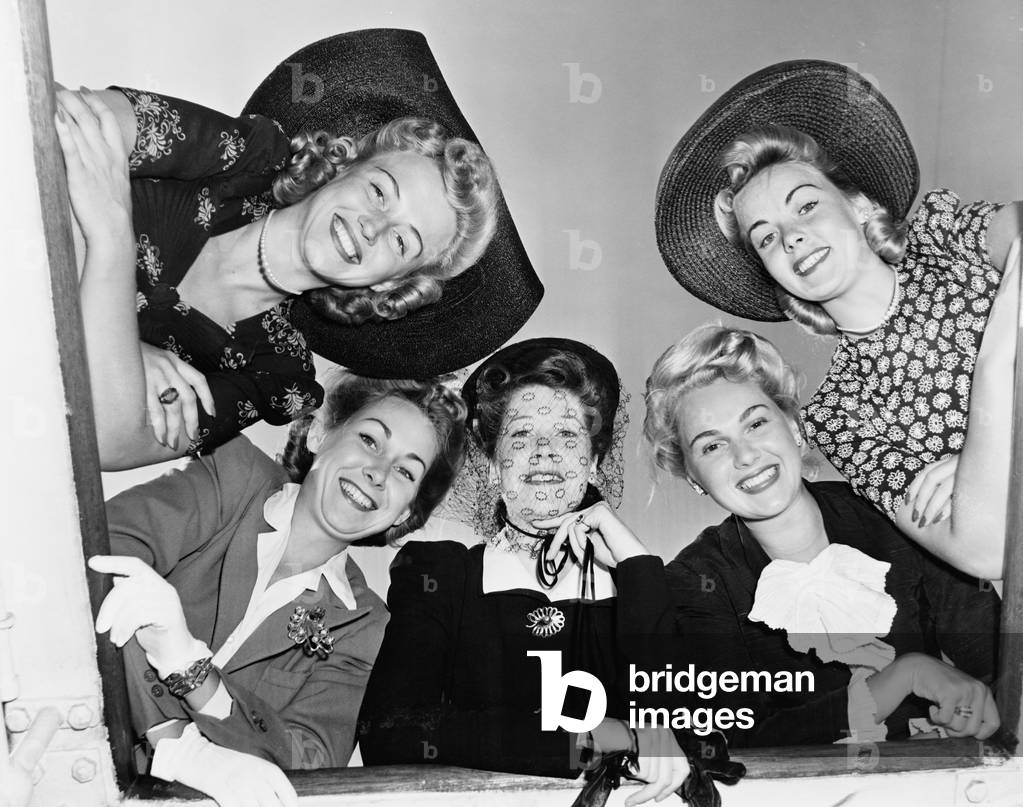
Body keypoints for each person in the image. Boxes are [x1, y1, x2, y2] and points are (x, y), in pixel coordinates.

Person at [55, 29, 543, 471]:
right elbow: (60, 122)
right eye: (379, 191)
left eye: (401, 241)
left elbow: (105, 442)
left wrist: (108, 239)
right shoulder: (247, 155)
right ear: (345, 164)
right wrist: (117, 354)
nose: (373, 227)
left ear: (392, 283)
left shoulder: (278, 375)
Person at [654, 60, 1022, 579]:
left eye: (804, 207)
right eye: (766, 237)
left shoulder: (945, 235)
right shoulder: (841, 414)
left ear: (859, 205)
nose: (791, 238)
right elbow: (985, 550)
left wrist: (987, 465)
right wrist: (999, 378)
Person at [359, 338, 744, 807]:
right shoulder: (439, 575)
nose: (543, 451)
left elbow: (703, 735)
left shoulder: (644, 585)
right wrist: (609, 740)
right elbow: (391, 732)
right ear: (495, 466)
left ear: (595, 463)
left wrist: (637, 566)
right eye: (520, 436)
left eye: (566, 435)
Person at [90, 370, 467, 806]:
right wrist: (173, 739)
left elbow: (310, 760)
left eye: (405, 471)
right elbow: (97, 562)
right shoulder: (233, 475)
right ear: (320, 435)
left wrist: (190, 668)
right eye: (369, 440)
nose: (378, 472)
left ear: (405, 513)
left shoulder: (365, 623)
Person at [643, 324, 1001, 748]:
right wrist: (907, 675)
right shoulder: (694, 581)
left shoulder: (893, 510)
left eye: (756, 424)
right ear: (694, 478)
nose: (746, 456)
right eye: (712, 447)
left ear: (793, 427)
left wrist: (976, 709)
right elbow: (738, 739)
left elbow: (999, 659)